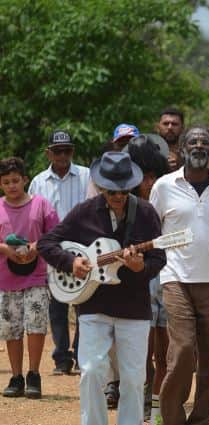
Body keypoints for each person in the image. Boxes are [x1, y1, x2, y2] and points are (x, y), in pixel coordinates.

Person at [39, 151, 166, 424]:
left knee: (134, 378)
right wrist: (71, 262)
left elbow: (159, 258)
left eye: (123, 191)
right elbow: (46, 243)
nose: (118, 196)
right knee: (91, 371)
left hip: (134, 307)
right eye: (111, 191)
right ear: (100, 186)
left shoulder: (146, 213)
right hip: (93, 305)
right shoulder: (84, 211)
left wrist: (140, 268)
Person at [150, 126, 209, 425]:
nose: (199, 145)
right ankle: (173, 418)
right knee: (183, 348)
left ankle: (200, 420)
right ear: (182, 148)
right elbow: (153, 230)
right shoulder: (164, 186)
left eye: (204, 142)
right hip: (175, 277)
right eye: (193, 141)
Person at [28, 129, 90, 376]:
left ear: (72, 151)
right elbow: (33, 217)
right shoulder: (38, 182)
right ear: (48, 153)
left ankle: (82, 355)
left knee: (84, 303)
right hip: (53, 251)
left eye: (67, 150)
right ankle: (62, 358)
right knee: (57, 306)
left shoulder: (87, 176)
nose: (63, 155)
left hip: (83, 249)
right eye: (57, 151)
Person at [0, 158, 59, 399]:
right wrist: (5, 249)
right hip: (6, 279)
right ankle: (16, 377)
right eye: (6, 182)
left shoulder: (41, 204)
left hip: (37, 275)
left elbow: (56, 232)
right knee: (11, 328)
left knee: (36, 324)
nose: (11, 186)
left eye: (15, 180)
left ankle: (34, 374)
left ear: (25, 180)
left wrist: (37, 246)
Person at [125, 135, 171, 425]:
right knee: (141, 349)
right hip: (138, 278)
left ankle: (158, 408)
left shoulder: (169, 194)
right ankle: (143, 399)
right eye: (144, 177)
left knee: (164, 351)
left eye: (153, 176)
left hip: (166, 274)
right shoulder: (124, 202)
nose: (149, 183)